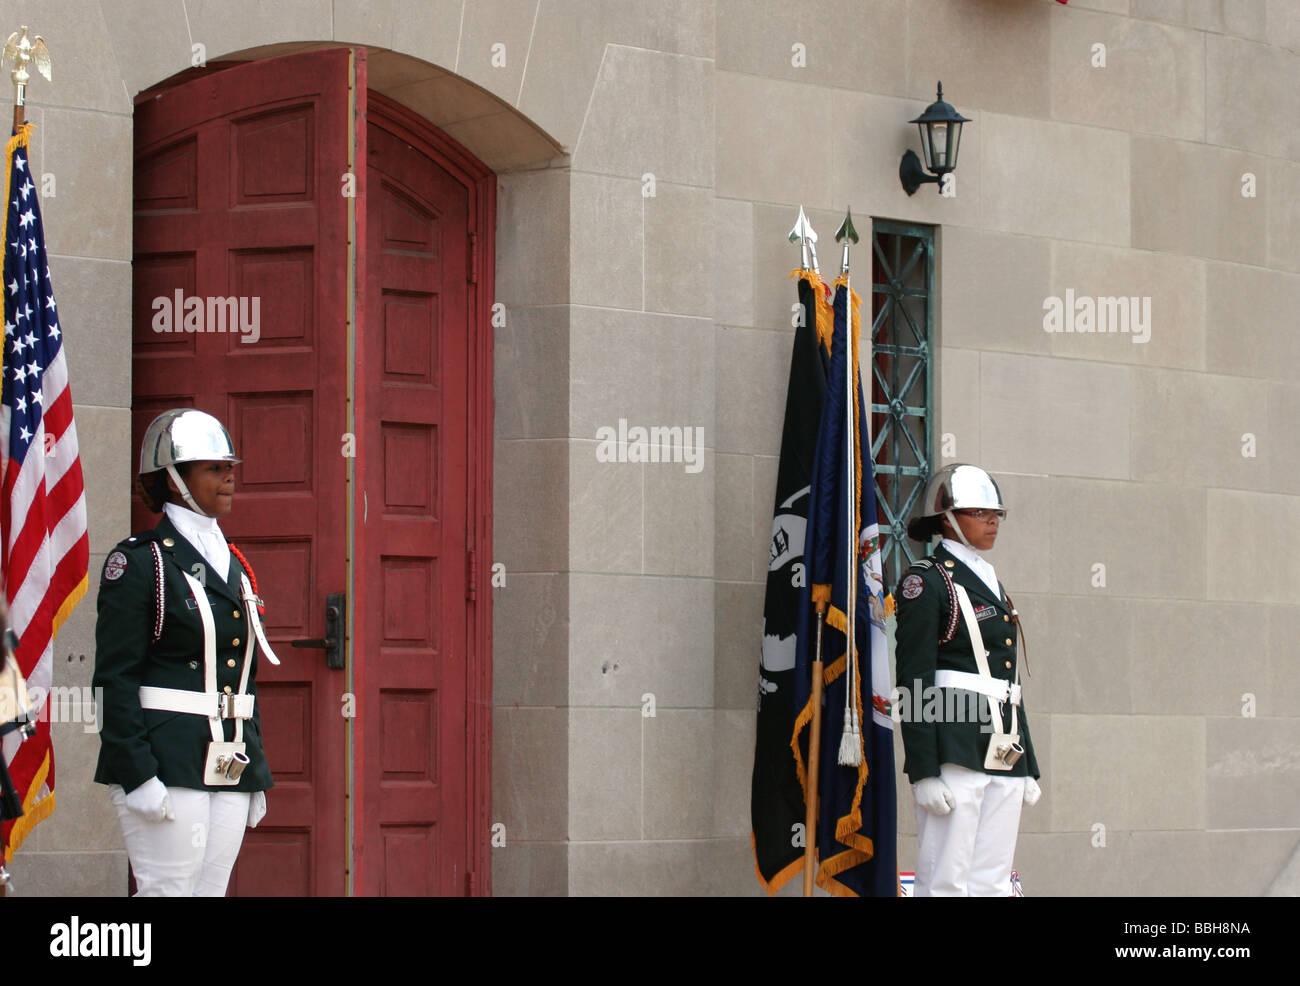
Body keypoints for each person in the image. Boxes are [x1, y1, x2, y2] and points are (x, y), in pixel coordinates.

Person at [93, 408, 278, 896]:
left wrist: (253, 763)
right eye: (214, 468)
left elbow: (239, 674)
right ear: (174, 480)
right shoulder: (139, 562)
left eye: (229, 467)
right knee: (166, 893)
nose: (229, 477)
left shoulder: (233, 561)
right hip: (166, 757)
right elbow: (115, 679)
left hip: (228, 757)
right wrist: (135, 771)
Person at [894, 463, 1041, 896]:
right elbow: (914, 678)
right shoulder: (927, 581)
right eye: (980, 512)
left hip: (1002, 749)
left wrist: (1027, 762)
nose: (993, 521)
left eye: (997, 514)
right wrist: (923, 771)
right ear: (948, 520)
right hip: (953, 750)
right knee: (946, 884)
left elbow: (1006, 679)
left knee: (992, 883)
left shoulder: (989, 580)